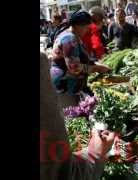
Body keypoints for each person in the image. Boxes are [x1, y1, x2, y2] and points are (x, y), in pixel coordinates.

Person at [40, 52, 115, 180]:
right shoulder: (69, 39)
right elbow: (61, 172)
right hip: (67, 86)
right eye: (87, 29)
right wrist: (94, 154)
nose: (88, 30)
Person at [49, 10, 111, 108]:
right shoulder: (69, 39)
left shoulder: (73, 35)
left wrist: (96, 64)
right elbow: (74, 68)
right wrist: (96, 68)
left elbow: (80, 58)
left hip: (70, 84)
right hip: (65, 85)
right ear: (78, 25)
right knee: (71, 115)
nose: (87, 30)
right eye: (86, 27)